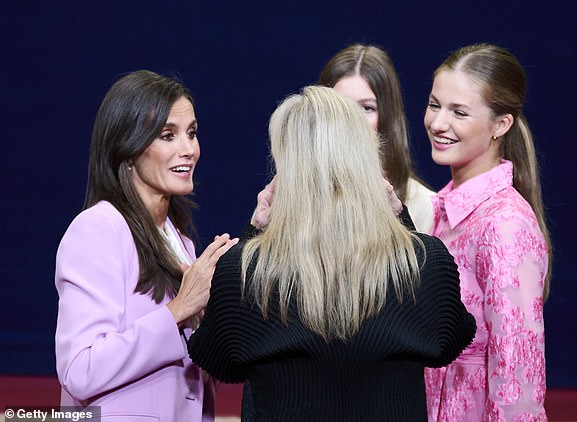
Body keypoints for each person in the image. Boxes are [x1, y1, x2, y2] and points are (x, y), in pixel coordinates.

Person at [188, 86, 476, 421]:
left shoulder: (244, 269)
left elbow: (220, 360)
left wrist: (256, 232)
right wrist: (401, 224)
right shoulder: (426, 260)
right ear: (367, 157)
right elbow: (449, 340)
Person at [54, 70, 238, 421]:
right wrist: (178, 311)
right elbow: (80, 369)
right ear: (128, 146)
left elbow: (191, 379)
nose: (189, 150)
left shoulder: (179, 240)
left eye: (192, 133)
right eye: (168, 135)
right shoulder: (98, 228)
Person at [422, 43, 552, 421]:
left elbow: (518, 380)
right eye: (434, 105)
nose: (438, 123)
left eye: (459, 112)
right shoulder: (446, 212)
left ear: (501, 124)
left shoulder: (504, 224)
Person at [318, 43, 436, 233]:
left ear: (387, 117)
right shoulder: (289, 196)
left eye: (367, 108)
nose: (353, 120)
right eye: (341, 106)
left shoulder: (424, 206)